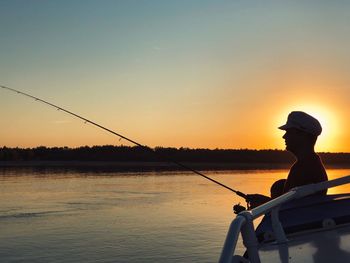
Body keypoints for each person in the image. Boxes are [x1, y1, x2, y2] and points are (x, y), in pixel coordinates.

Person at [246, 111, 328, 209]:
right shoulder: (311, 163)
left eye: (288, 132)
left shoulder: (304, 167)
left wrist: (261, 203)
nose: (284, 136)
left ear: (302, 135)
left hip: (297, 220)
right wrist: (263, 201)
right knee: (279, 185)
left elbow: (288, 210)